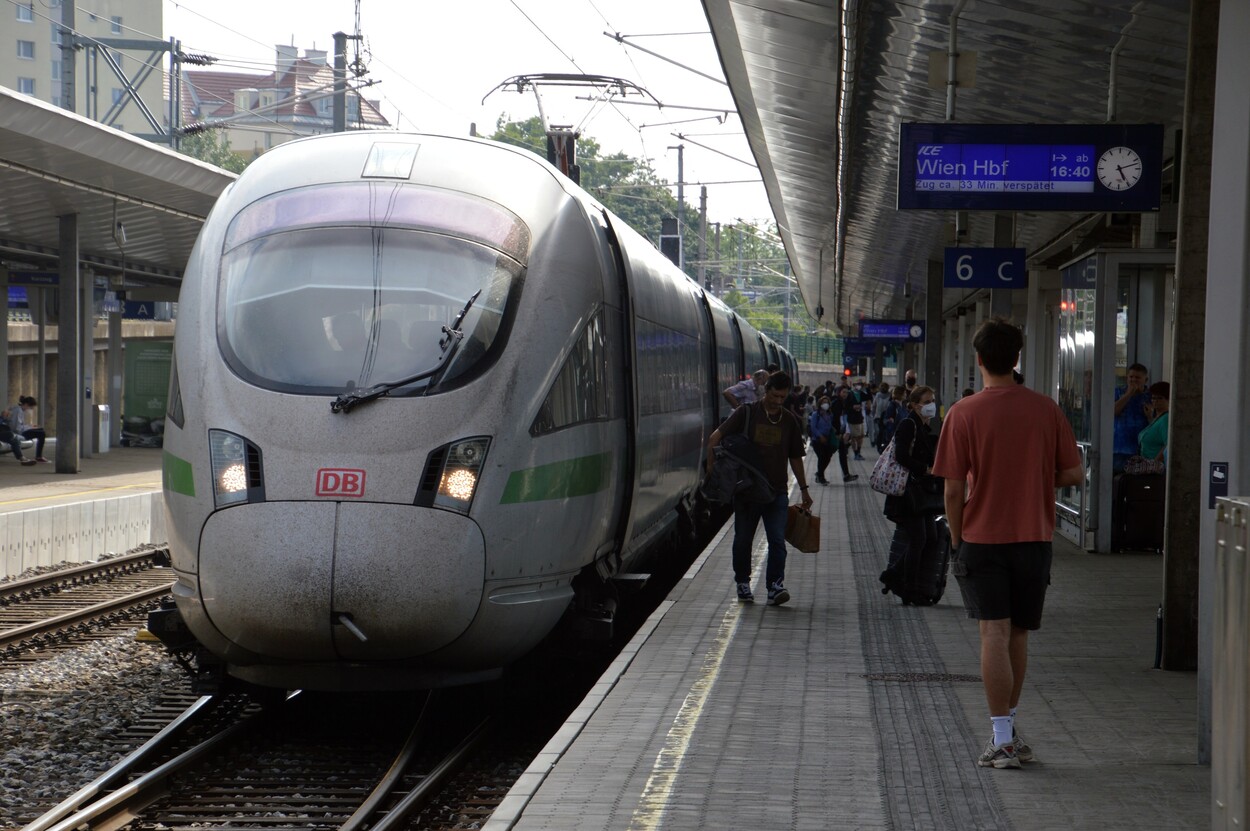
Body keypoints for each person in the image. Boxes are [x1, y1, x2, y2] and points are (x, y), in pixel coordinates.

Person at [933, 318, 1083, 770]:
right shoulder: (1046, 410)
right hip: (1034, 538)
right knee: (1018, 635)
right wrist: (1036, 480)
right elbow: (1074, 474)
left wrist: (958, 540)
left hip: (981, 539)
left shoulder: (963, 413)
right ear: (1017, 358)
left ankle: (1000, 739)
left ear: (978, 360)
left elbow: (953, 490)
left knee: (992, 634)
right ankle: (1010, 733)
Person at [706, 371, 813, 606]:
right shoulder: (747, 413)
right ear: (766, 390)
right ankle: (743, 582)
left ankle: (775, 585)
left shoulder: (788, 421)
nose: (777, 401)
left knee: (777, 540)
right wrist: (712, 475)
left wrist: (804, 489)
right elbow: (714, 438)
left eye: (783, 397)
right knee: (743, 539)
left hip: (776, 492)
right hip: (747, 492)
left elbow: (796, 457)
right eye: (774, 395)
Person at [881, 386, 943, 605]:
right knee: (919, 539)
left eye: (933, 400)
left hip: (920, 493)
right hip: (908, 493)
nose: (932, 404)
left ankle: (894, 574)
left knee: (931, 537)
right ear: (916, 405)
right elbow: (900, 455)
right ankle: (909, 589)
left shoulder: (923, 426)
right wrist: (924, 469)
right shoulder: (908, 424)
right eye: (928, 401)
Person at [1112, 363, 1150, 473]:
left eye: (1137, 377)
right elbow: (1113, 411)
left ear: (1145, 380)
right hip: (1119, 449)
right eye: (1131, 377)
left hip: (1140, 451)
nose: (1133, 380)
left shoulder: (1150, 396)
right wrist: (1128, 394)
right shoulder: (1118, 392)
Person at [829, 386, 859, 483]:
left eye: (846, 392)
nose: (845, 394)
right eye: (843, 392)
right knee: (827, 454)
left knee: (842, 453)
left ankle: (846, 475)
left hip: (840, 432)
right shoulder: (836, 403)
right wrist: (838, 433)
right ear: (839, 392)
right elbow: (835, 419)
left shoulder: (844, 403)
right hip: (835, 432)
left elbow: (843, 419)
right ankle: (819, 474)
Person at [4, 396, 48, 463]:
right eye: (31, 408)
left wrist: (30, 426)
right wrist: (30, 427)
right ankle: (38, 456)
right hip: (18, 432)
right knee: (41, 433)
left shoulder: (19, 410)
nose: (30, 410)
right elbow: (16, 428)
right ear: (26, 405)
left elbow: (19, 425)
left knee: (41, 430)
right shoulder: (17, 411)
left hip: (20, 430)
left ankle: (39, 456)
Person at [1137, 381, 1170, 464]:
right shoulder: (1157, 418)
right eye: (1153, 398)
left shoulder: (1166, 418)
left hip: (1156, 468)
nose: (1155, 401)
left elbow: (1167, 445)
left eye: (1159, 398)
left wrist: (1155, 463)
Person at [808, 395, 838, 485]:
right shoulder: (815, 414)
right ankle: (821, 477)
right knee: (821, 457)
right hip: (817, 440)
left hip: (827, 438)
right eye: (823, 402)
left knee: (828, 457)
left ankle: (819, 473)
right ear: (820, 404)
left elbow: (829, 425)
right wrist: (820, 436)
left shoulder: (829, 414)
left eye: (827, 402)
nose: (826, 404)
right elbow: (813, 427)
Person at [846, 380, 868, 460]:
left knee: (861, 436)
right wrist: (852, 407)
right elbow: (846, 406)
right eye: (857, 384)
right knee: (854, 436)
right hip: (852, 418)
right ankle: (855, 453)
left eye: (860, 385)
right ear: (854, 385)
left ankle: (858, 452)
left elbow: (868, 397)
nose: (859, 386)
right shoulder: (850, 394)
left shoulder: (861, 394)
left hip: (860, 417)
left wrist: (866, 388)